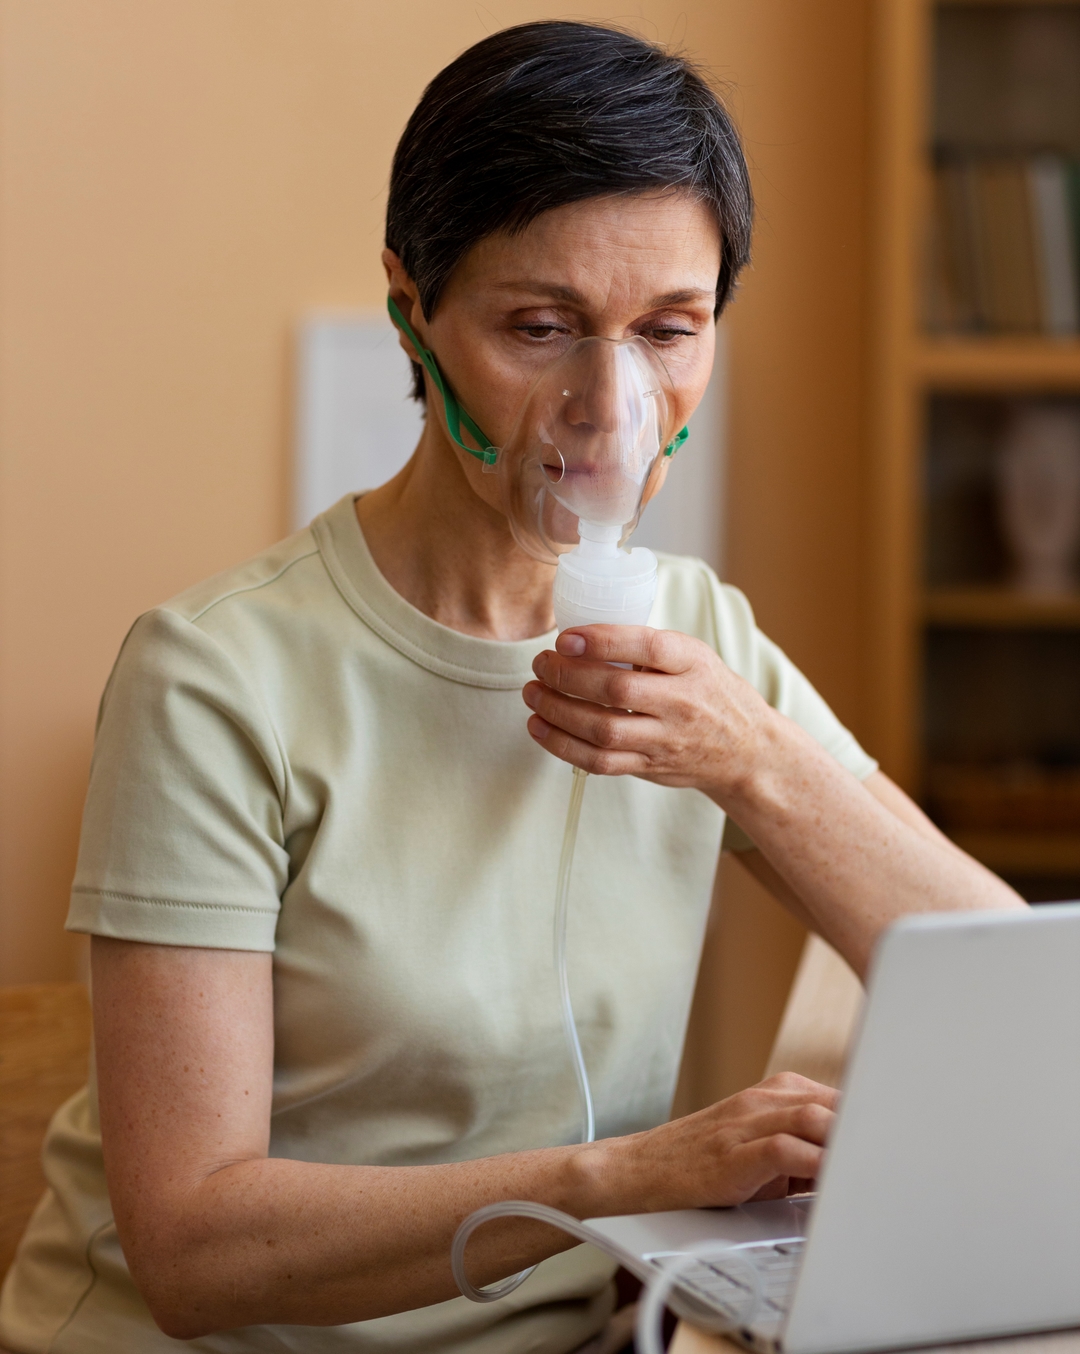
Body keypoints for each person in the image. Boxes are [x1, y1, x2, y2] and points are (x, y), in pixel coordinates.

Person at [0, 21, 1024, 1354]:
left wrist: (753, 761)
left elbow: (998, 985)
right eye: (542, 327)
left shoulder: (702, 639)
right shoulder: (216, 679)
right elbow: (193, 1249)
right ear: (410, 308)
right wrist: (626, 1181)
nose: (610, 410)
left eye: (669, 330)